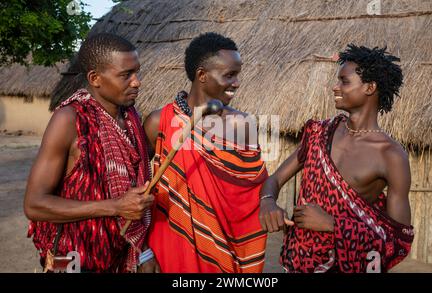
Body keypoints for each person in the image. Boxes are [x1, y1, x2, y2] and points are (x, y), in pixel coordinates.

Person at [259, 44, 414, 273]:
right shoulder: (320, 133)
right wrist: (268, 201)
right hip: (296, 261)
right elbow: (275, 180)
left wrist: (332, 225)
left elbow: (397, 241)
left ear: (370, 88)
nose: (335, 87)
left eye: (344, 81)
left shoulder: (390, 155)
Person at [24, 33, 157, 273]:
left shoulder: (130, 116)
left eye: (136, 72)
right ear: (95, 78)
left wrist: (143, 250)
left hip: (118, 257)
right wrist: (115, 207)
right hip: (73, 260)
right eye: (126, 75)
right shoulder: (70, 120)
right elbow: (34, 204)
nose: (137, 82)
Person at [143, 32, 268, 272]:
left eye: (237, 74)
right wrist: (142, 253)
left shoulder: (242, 125)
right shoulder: (160, 121)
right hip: (171, 246)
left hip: (228, 249)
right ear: (201, 75)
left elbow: (253, 189)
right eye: (229, 75)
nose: (237, 82)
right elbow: (136, 184)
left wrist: (269, 202)